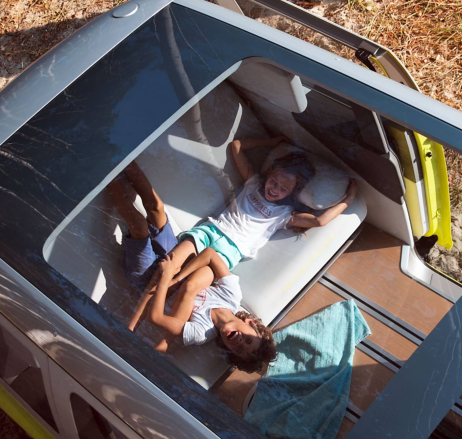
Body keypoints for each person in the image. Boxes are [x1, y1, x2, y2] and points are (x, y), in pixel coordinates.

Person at [125, 135, 357, 330]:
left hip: (227, 254)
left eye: (283, 188)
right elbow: (236, 146)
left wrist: (349, 198)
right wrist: (272, 141)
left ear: (293, 191)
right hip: (210, 230)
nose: (274, 189)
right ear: (270, 174)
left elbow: (319, 220)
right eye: (274, 181)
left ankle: (153, 332)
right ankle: (131, 324)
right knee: (170, 265)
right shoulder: (254, 183)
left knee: (184, 283)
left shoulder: (285, 214)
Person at [109, 162, 275, 373]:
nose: (240, 343)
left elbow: (156, 316)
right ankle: (121, 159)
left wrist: (167, 278)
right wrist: (175, 277)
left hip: (146, 281)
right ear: (251, 324)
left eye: (240, 351)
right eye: (249, 342)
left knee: (140, 226)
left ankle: (107, 179)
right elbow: (211, 255)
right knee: (157, 208)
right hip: (172, 266)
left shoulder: (201, 333)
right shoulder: (231, 295)